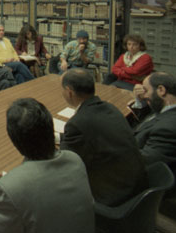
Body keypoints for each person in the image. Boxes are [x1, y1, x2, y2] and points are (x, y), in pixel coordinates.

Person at [0, 98, 94, 233]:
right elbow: (44, 187)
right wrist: (4, 176)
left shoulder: (12, 189)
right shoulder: (75, 160)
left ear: (16, 144)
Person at [59, 69, 148, 206]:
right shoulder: (109, 107)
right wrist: (59, 137)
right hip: (134, 184)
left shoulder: (78, 122)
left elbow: (65, 161)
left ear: (69, 92)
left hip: (113, 194)